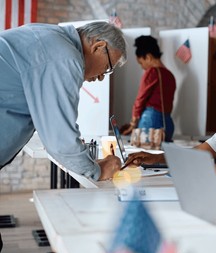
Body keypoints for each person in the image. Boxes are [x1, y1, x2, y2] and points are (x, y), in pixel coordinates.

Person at [0, 21, 127, 181]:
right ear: (98, 47)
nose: (102, 77)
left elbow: (54, 125)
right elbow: (60, 138)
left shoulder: (52, 39)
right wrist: (98, 170)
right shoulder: (64, 57)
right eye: (108, 67)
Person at [120, 35, 176, 142]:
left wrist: (133, 122)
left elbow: (140, 99)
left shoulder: (152, 72)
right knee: (161, 157)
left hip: (151, 121)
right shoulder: (170, 75)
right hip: (167, 122)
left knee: (146, 156)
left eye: (141, 62)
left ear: (148, 57)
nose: (142, 67)